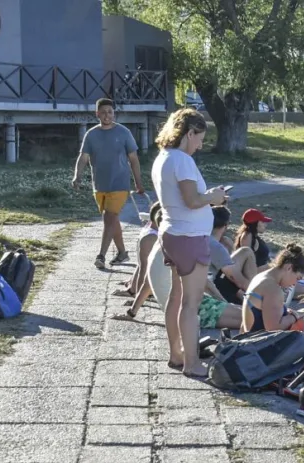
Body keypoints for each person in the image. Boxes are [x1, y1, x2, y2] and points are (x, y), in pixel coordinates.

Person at [152, 107, 228, 377]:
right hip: (189, 238)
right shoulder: (182, 161)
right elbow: (192, 201)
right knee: (191, 304)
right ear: (189, 133)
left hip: (173, 233)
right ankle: (191, 363)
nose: (200, 145)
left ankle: (176, 354)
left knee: (175, 298)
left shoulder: (163, 157)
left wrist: (206, 196)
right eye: (199, 138)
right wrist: (214, 198)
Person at [71, 98, 144, 270]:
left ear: (114, 113)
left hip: (120, 183)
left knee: (110, 217)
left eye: (110, 112)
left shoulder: (123, 133)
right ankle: (122, 253)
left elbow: (134, 159)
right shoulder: (91, 135)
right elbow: (83, 157)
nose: (107, 115)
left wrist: (138, 183)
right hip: (100, 185)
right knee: (111, 220)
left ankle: (101, 255)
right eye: (103, 112)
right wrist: (77, 176)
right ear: (97, 114)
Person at [241, 244, 304, 333]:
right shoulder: (273, 289)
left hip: (248, 339)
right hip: (258, 344)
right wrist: (295, 316)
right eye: (297, 278)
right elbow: (273, 329)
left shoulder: (261, 277)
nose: (294, 284)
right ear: (289, 267)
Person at [115, 201, 161, 298]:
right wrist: (136, 293)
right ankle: (138, 291)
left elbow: (141, 266)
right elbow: (142, 267)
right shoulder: (151, 237)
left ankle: (136, 290)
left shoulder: (151, 232)